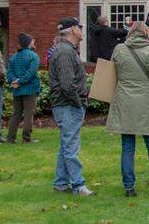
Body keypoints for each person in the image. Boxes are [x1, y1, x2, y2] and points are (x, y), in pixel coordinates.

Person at [109, 22, 149, 197]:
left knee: (127, 146)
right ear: (146, 34)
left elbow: (111, 74)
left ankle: (129, 187)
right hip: (146, 100)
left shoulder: (119, 49)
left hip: (124, 100)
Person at [49, 17, 93, 196]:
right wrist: (78, 102)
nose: (82, 30)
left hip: (66, 104)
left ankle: (60, 183)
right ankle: (78, 185)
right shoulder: (65, 52)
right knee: (71, 147)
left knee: (66, 145)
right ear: (73, 29)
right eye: (80, 27)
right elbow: (67, 84)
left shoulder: (65, 50)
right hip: (68, 105)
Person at [6, 33, 40, 144]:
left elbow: (9, 73)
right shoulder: (33, 56)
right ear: (29, 43)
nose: (34, 42)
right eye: (32, 41)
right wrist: (20, 81)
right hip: (30, 89)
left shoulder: (13, 57)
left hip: (17, 89)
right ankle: (27, 138)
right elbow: (31, 72)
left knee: (16, 114)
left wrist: (15, 81)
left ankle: (11, 138)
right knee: (28, 114)